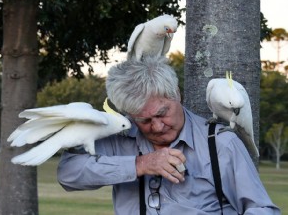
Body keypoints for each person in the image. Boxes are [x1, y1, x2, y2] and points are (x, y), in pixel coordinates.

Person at [57, 56, 280, 215]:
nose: (157, 127)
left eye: (162, 113)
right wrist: (139, 165)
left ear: (177, 95)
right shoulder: (120, 135)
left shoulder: (221, 143)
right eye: (143, 120)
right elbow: (68, 173)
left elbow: (262, 208)